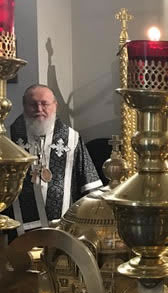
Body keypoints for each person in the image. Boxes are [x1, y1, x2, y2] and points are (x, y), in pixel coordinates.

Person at [9, 84, 102, 235]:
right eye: (33, 104)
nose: (39, 109)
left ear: (55, 106)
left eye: (44, 104)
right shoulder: (9, 138)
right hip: (17, 230)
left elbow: (90, 186)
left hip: (62, 230)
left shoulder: (71, 139)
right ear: (24, 105)